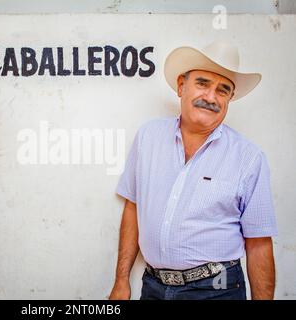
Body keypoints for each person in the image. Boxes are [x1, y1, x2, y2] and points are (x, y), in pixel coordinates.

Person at [109, 41, 278, 300]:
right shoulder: (148, 138)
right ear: (181, 86)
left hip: (217, 290)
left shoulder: (248, 158)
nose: (211, 97)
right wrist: (121, 280)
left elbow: (258, 244)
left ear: (230, 99)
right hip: (153, 287)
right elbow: (132, 207)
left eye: (223, 90)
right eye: (202, 83)